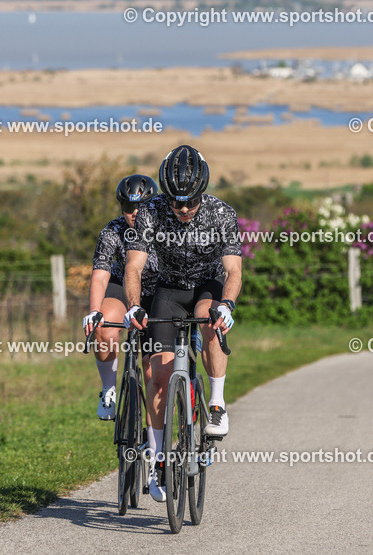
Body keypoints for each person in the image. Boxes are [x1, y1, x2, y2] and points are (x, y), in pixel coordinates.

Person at [123, 145, 242, 502]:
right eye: (176, 202)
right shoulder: (150, 212)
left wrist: (228, 304)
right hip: (168, 291)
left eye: (190, 202)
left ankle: (217, 405)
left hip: (207, 286)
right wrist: (133, 306)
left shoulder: (222, 213)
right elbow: (133, 267)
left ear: (202, 193)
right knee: (158, 378)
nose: (184, 209)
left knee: (210, 319)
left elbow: (234, 269)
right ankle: (160, 458)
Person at [82, 174, 159, 420]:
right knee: (104, 327)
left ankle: (152, 437)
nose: (135, 212)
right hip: (122, 287)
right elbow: (100, 275)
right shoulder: (112, 230)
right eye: (128, 206)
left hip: (158, 292)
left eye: (142, 206)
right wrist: (94, 312)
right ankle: (108, 389)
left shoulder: (166, 230)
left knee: (151, 369)